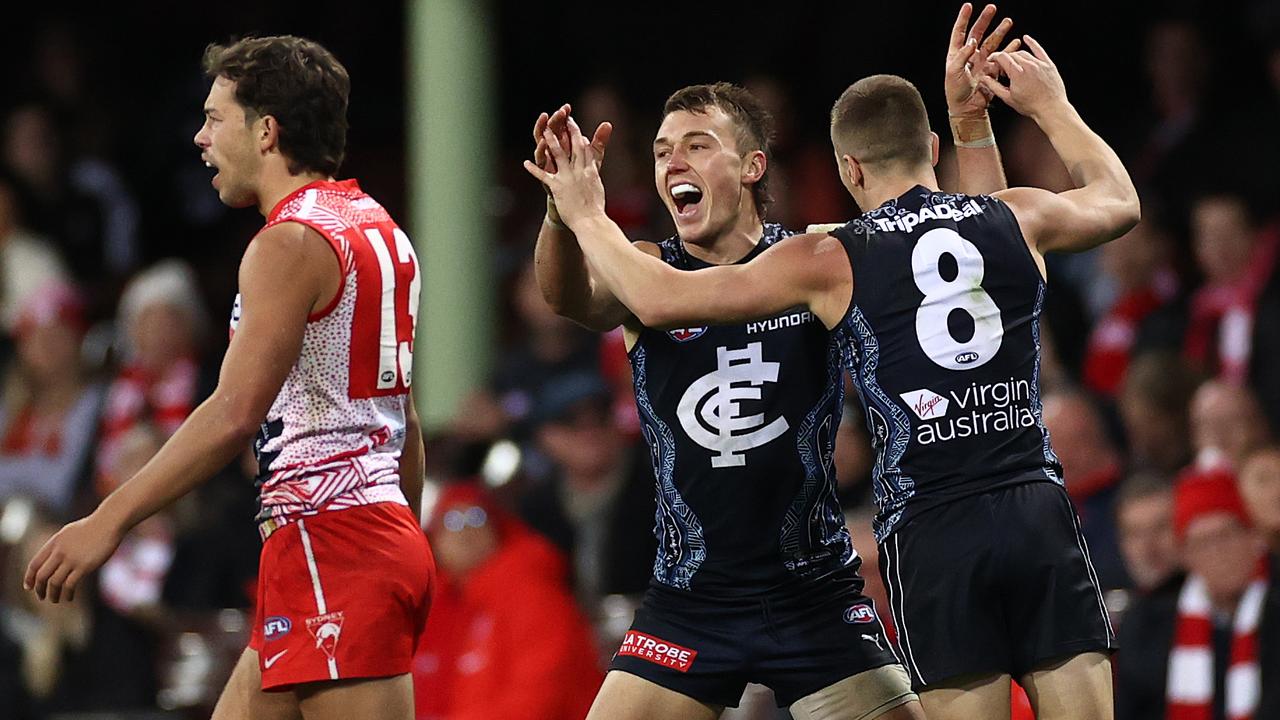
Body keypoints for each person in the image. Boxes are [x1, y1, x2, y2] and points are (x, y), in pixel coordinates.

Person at [529, 33, 1138, 720]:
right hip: (696, 596)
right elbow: (568, 300)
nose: (675, 160)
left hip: (825, 586)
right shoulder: (700, 258)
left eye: (698, 143)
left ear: (758, 164)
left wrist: (587, 212)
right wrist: (561, 215)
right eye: (664, 148)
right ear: (927, 150)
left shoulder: (822, 257)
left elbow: (660, 299)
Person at [23, 35, 432, 719]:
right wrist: (401, 549)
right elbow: (403, 419)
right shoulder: (379, 228)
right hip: (353, 542)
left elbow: (234, 412)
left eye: (215, 118)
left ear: (266, 131)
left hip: (331, 544)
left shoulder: (287, 244)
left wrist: (108, 519)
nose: (199, 137)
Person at [1115, 469, 1274, 720]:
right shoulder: (1148, 627)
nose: (1218, 553)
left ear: (1253, 536)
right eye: (1201, 543)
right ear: (1186, 556)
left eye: (1225, 535)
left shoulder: (1273, 609)